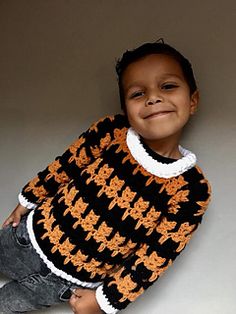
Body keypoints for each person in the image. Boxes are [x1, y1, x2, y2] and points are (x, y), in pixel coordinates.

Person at [0, 41, 211, 314]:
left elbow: (154, 258)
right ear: (125, 108)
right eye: (138, 93)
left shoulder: (192, 191)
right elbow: (66, 165)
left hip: (64, 283)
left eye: (168, 86)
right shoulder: (112, 132)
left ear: (192, 100)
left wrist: (104, 301)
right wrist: (28, 199)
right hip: (28, 236)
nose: (153, 98)